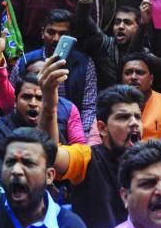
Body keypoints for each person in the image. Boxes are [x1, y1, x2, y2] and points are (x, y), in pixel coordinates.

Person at [38, 61, 161, 228]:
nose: (134, 123)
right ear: (102, 128)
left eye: (137, 117)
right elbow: (51, 154)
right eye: (123, 117)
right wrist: (48, 105)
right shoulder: (87, 158)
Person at [0, 72, 84, 183]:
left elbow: (66, 175)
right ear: (15, 101)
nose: (33, 103)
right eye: (26, 97)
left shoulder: (52, 132)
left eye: (39, 98)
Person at [12, 9, 99, 138]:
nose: (56, 39)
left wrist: (83, 138)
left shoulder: (84, 64)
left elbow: (88, 107)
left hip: (71, 131)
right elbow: (11, 99)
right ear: (42, 33)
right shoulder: (25, 61)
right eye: (51, 32)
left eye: (62, 34)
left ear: (72, 37)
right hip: (30, 129)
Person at [77, 0, 146, 89]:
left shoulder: (146, 55)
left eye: (127, 23)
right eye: (117, 22)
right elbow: (83, 17)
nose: (120, 26)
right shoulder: (105, 46)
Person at [121, 52, 161, 140]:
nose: (133, 77)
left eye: (140, 73)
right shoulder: (112, 105)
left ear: (151, 79)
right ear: (122, 79)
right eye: (128, 73)